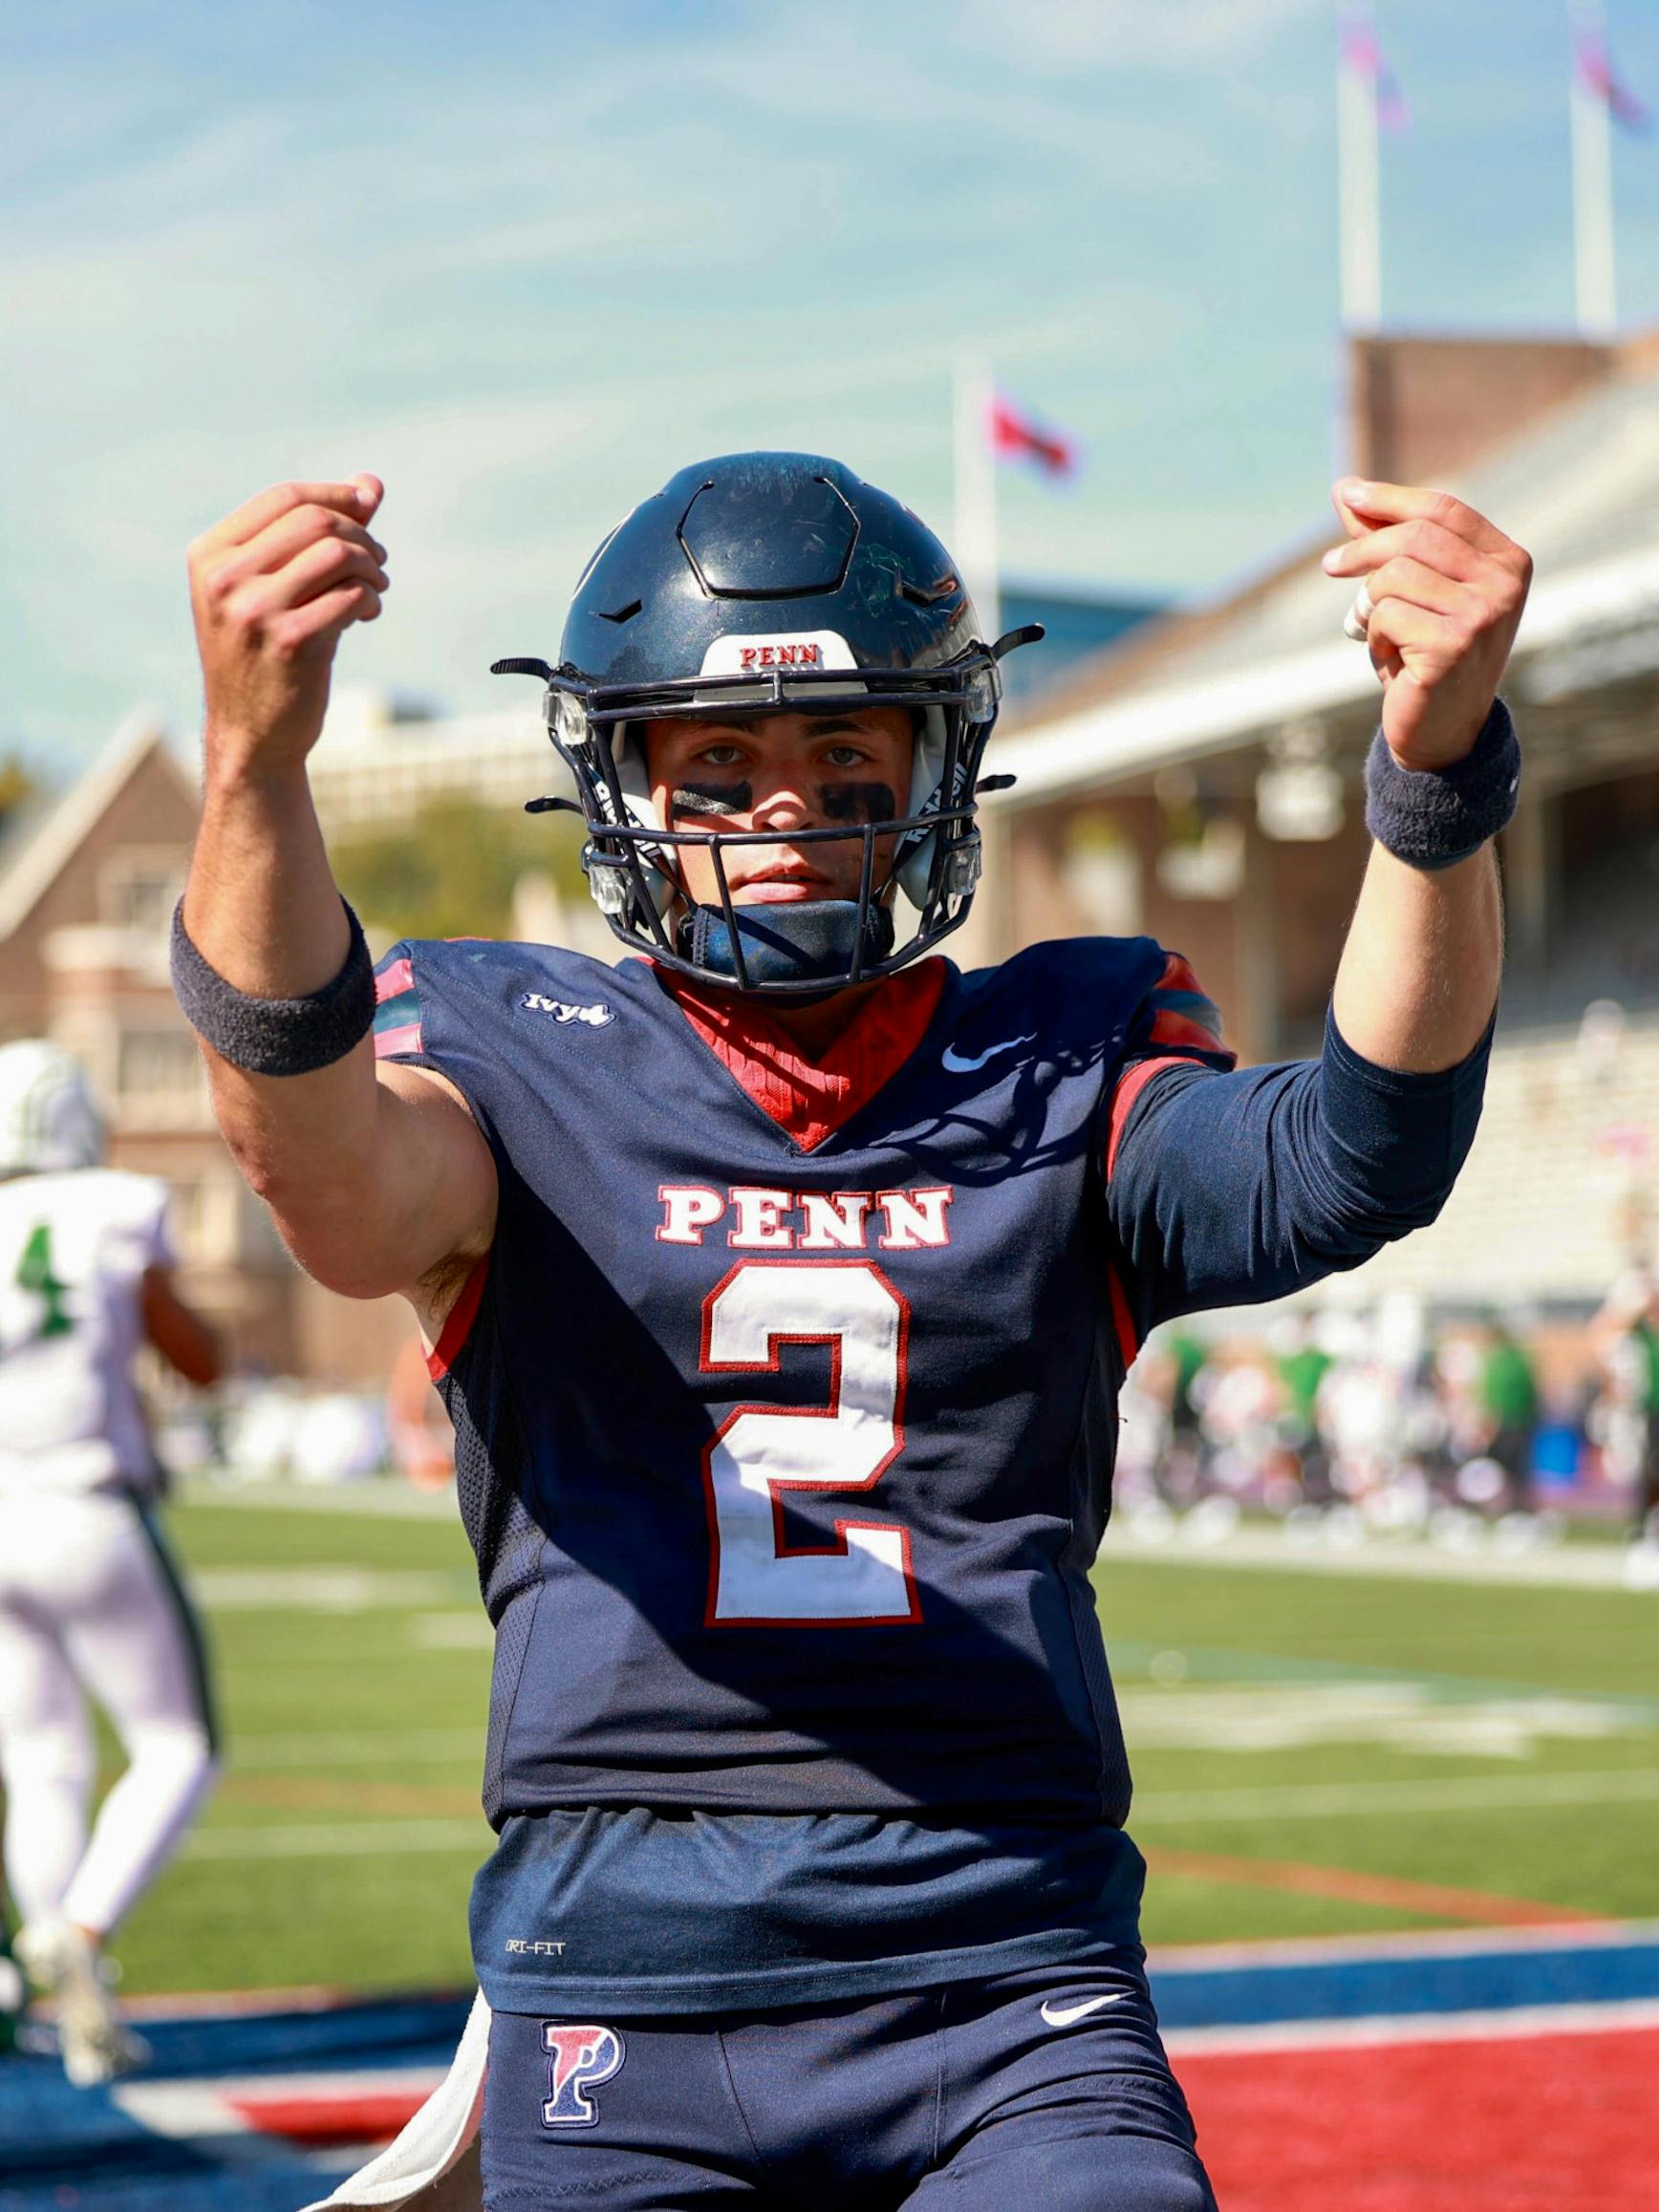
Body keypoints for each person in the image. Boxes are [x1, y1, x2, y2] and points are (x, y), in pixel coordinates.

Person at [176, 454, 1527, 2211]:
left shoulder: (1062, 1046)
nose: (785, 811)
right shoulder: (518, 1045)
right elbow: (332, 1185)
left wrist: (1433, 782)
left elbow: (1356, 1156)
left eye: (843, 759)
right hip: (625, 1987)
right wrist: (255, 765)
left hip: (1005, 1975)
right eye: (721, 767)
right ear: (626, 778)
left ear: (932, 769)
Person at [0, 1041, 222, 2084]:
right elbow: (192, 1353)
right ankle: (76, 1936)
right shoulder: (112, 1202)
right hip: (88, 1501)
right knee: (179, 1745)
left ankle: (47, 1981)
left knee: (42, 1759)